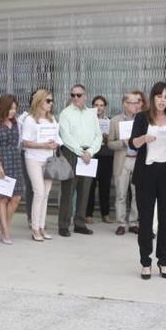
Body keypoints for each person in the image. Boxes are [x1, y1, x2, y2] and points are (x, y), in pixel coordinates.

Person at [129, 82, 166, 280]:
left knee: (165, 221)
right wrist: (144, 138)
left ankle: (164, 261)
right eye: (159, 96)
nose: (163, 100)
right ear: (153, 97)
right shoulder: (142, 117)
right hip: (146, 173)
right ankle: (146, 261)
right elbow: (132, 143)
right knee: (145, 220)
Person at [57, 85, 102, 237]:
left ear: (85, 96)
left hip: (88, 154)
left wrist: (90, 151)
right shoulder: (66, 113)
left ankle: (80, 223)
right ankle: (63, 224)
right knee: (68, 191)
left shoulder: (92, 113)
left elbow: (98, 135)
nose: (75, 98)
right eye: (73, 95)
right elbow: (66, 136)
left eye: (78, 95)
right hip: (71, 153)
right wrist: (80, 152)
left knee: (85, 190)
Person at [21, 89, 63, 242]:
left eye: (51, 101)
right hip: (33, 159)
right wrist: (43, 145)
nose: (50, 104)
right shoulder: (30, 120)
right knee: (38, 192)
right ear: (39, 101)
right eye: (48, 101)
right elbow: (25, 141)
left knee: (45, 193)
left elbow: (59, 139)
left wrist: (55, 144)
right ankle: (34, 227)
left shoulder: (52, 120)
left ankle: (41, 225)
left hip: (49, 160)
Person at [0, 94, 24, 244]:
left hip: (15, 160)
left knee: (16, 198)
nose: (13, 111)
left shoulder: (18, 124)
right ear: (3, 108)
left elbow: (20, 144)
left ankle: (3, 224)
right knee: (2, 197)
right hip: (0, 161)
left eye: (15, 108)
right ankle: (6, 231)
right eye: (10, 108)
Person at [108, 91, 144, 235]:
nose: (136, 105)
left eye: (138, 102)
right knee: (121, 194)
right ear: (125, 104)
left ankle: (134, 222)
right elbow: (110, 143)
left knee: (137, 194)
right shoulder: (115, 121)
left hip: (138, 161)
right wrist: (122, 142)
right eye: (133, 102)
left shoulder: (142, 119)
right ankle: (121, 223)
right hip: (122, 161)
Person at [86, 95, 113, 224]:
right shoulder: (88, 121)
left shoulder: (110, 121)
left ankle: (105, 213)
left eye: (101, 105)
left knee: (105, 185)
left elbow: (113, 140)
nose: (99, 108)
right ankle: (88, 213)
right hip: (92, 155)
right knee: (90, 185)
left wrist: (107, 137)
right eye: (96, 105)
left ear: (105, 107)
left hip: (106, 155)